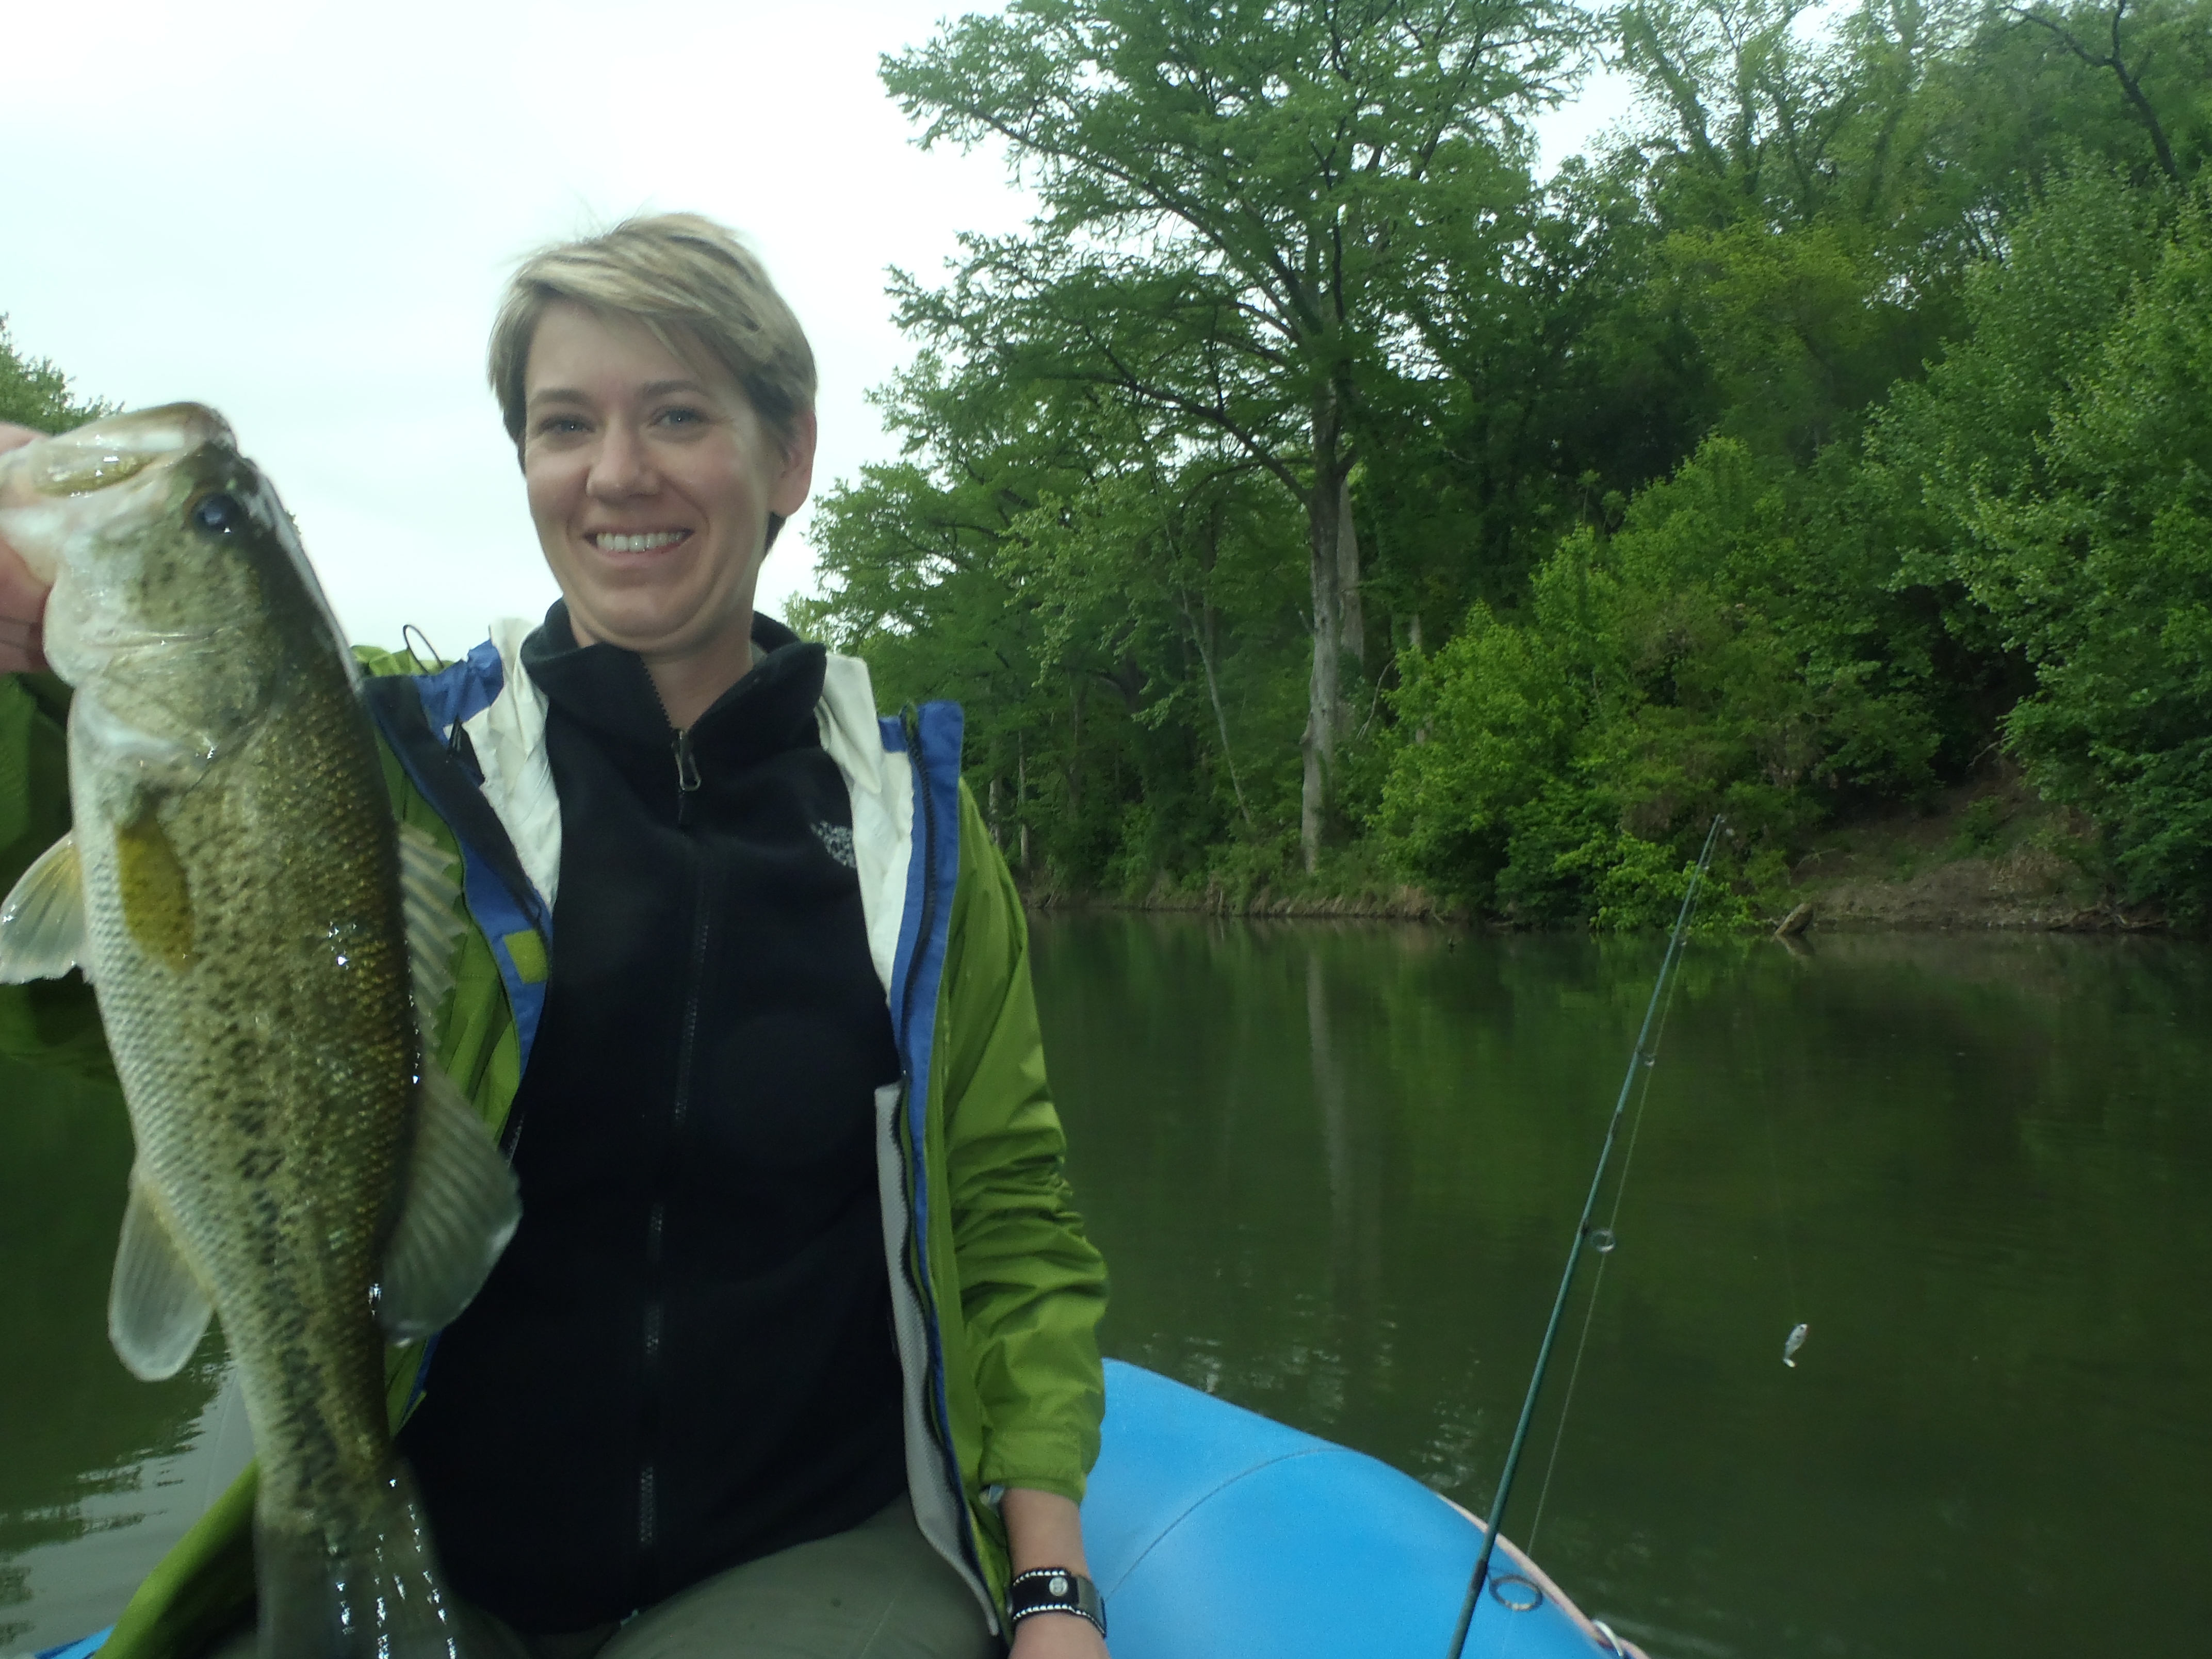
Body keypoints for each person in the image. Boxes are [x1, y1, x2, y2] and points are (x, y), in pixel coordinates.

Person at [0, 214, 1112, 1659]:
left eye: (678, 415)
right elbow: (94, 989)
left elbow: (1014, 1210)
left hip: (800, 1555)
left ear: (789, 458)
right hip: (442, 1543)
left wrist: (1052, 1589)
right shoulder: (387, 780)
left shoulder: (918, 840)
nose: (617, 472)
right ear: (524, 463)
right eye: (564, 423)